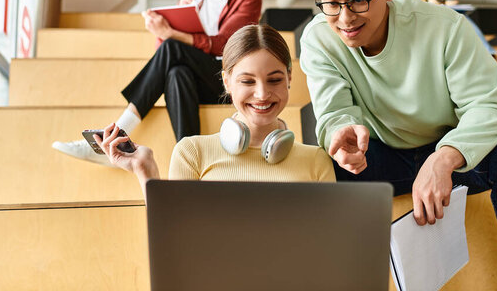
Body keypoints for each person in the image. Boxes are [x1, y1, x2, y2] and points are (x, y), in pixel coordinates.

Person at [300, 0, 497, 290]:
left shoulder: (445, 28)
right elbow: (333, 109)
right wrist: (341, 130)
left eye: (360, 0)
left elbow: (489, 107)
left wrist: (444, 158)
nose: (345, 18)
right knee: (318, 170)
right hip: (380, 157)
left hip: (449, 156)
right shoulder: (318, 39)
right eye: (331, 3)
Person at [53, 0, 262, 165]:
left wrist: (171, 34)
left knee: (174, 48)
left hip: (226, 82)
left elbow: (225, 43)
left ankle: (118, 132)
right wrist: (176, 17)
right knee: (176, 73)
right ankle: (190, 161)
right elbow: (164, 53)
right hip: (196, 81)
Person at [94, 24, 335, 194]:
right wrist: (144, 170)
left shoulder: (316, 160)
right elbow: (175, 237)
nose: (262, 94)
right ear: (227, 82)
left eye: (274, 80)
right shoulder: (191, 152)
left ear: (289, 77)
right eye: (247, 81)